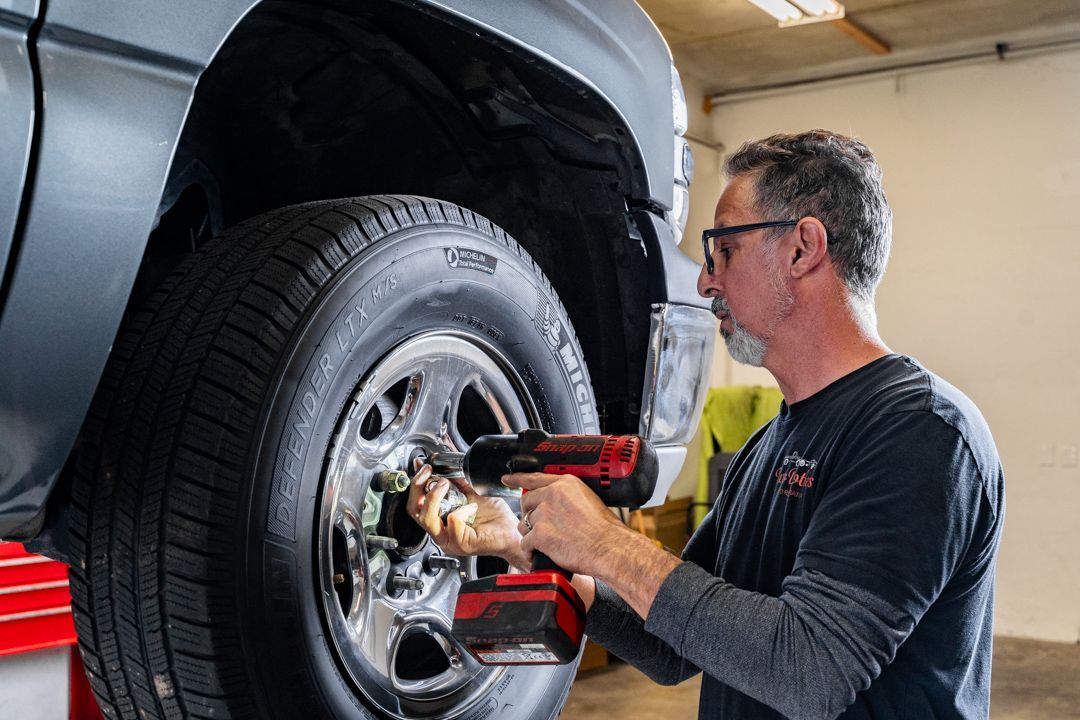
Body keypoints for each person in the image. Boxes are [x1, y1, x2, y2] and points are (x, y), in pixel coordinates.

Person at [409, 130, 1005, 720]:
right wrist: (525, 539)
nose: (704, 281)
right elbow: (672, 646)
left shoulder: (919, 433)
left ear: (803, 248)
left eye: (724, 249)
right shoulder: (767, 445)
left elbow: (809, 673)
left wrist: (606, 544)